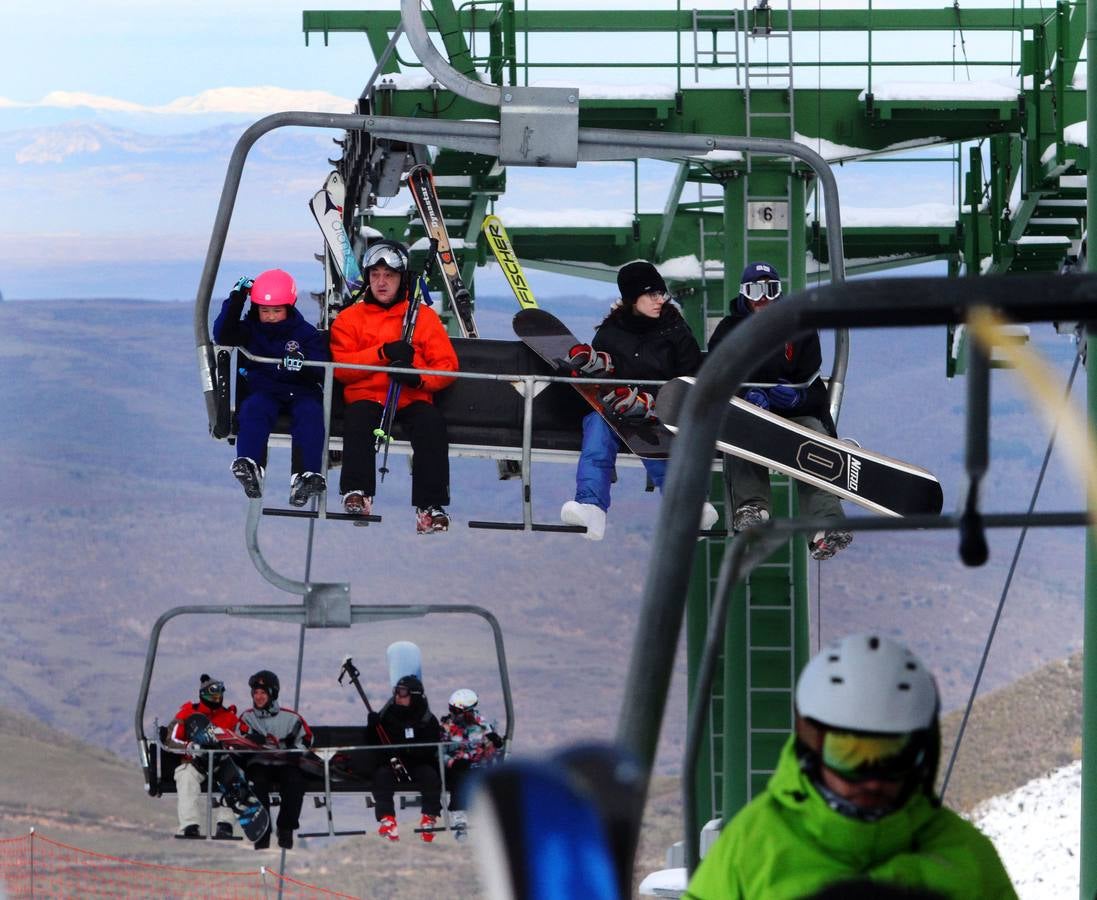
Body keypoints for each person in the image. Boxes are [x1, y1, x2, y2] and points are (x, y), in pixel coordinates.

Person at [684, 633, 1017, 899]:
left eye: (891, 756)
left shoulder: (966, 857)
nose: (872, 780)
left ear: (921, 754)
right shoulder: (753, 849)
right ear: (812, 747)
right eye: (849, 755)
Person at [559, 260, 718, 540]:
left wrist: (653, 403)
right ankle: (590, 507)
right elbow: (599, 384)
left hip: (662, 412)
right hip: (618, 411)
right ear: (633, 298)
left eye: (662, 294)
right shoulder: (610, 334)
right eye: (652, 295)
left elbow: (693, 379)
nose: (660, 300)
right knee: (597, 425)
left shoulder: (675, 331)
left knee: (654, 442)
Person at [708, 261, 851, 560]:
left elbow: (812, 382)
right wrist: (745, 395)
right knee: (739, 433)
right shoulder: (729, 331)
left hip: (792, 416)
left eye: (769, 290)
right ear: (744, 293)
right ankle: (752, 509)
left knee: (812, 433)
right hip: (749, 415)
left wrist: (798, 399)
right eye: (755, 290)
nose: (762, 298)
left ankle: (825, 521)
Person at [330, 240, 458, 533]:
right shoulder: (350, 319)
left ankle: (430, 505)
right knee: (358, 419)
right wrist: (382, 354)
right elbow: (342, 368)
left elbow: (447, 366)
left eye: (389, 275)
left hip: (411, 396)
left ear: (402, 279)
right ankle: (357, 491)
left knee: (431, 424)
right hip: (369, 396)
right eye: (375, 275)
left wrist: (418, 377)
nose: (381, 282)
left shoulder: (422, 318)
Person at [212, 269, 330, 507]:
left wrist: (303, 362)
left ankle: (305, 475)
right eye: (265, 311)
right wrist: (237, 299)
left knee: (310, 414)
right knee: (253, 409)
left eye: (277, 310)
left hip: (301, 391)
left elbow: (322, 366)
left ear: (289, 306)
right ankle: (251, 465)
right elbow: (222, 334)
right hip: (265, 390)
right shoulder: (250, 330)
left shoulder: (305, 333)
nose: (271, 317)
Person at [237, 669, 313, 851]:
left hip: (285, 763)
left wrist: (295, 751)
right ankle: (262, 830)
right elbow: (237, 741)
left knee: (295, 781)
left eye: (263, 692)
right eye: (255, 693)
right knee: (257, 783)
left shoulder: (291, 718)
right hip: (259, 764)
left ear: (272, 694)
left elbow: (306, 741)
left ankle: (286, 828)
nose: (258, 697)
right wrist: (249, 743)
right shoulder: (247, 718)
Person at [366, 674, 444, 843]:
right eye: (396, 692)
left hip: (418, 763)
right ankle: (387, 819)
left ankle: (429, 817)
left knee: (430, 776)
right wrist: (372, 727)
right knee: (381, 777)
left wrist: (412, 754)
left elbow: (431, 746)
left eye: (402, 693)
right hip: (392, 763)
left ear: (414, 696)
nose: (397, 697)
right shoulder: (388, 715)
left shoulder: (427, 720)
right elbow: (373, 742)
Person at [165, 674, 240, 839]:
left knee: (235, 777)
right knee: (185, 776)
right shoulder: (187, 714)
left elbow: (238, 740)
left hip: (221, 763)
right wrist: (189, 747)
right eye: (213, 694)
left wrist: (229, 748)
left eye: (219, 695)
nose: (217, 698)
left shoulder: (229, 717)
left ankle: (225, 824)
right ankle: (190, 824)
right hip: (196, 762)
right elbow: (170, 739)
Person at [440, 688, 504, 838]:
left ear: (468, 711)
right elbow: (438, 752)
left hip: (477, 765)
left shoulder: (482, 726)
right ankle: (459, 820)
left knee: (487, 779)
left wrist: (496, 742)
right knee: (459, 778)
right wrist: (451, 762)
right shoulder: (446, 727)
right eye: (452, 710)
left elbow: (489, 748)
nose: (454, 714)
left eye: (456, 710)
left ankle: (492, 816)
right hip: (456, 766)